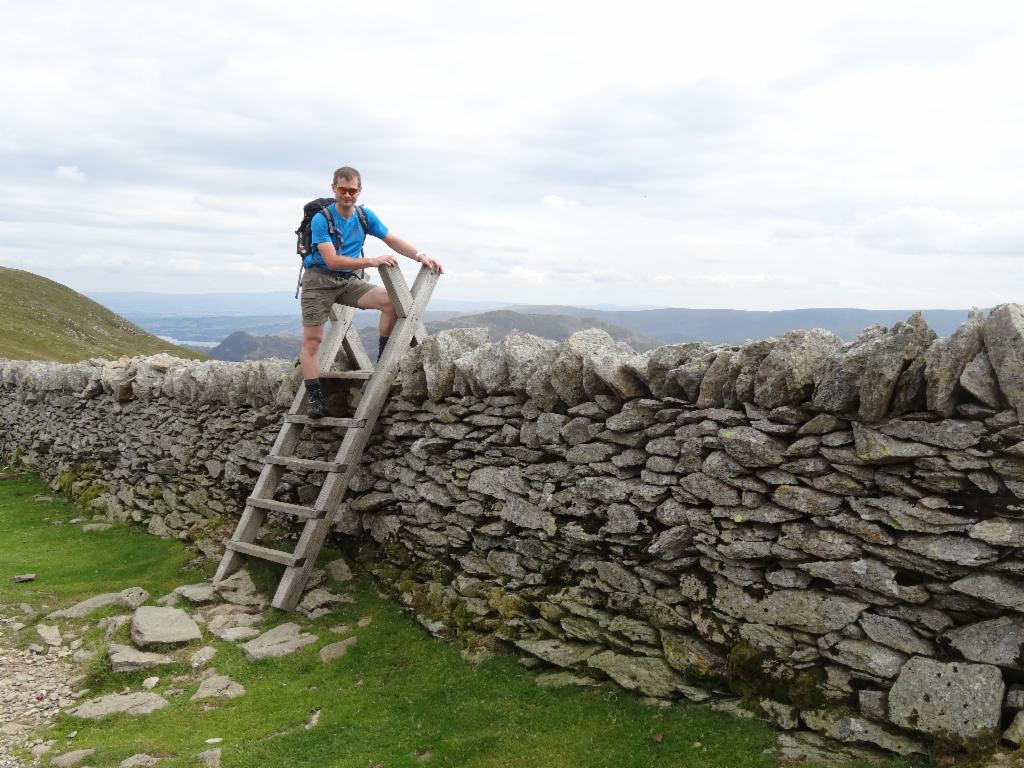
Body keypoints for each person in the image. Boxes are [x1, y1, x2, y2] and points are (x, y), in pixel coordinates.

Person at [299, 166, 443, 418]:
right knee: (313, 340)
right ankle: (315, 397)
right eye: (342, 189)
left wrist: (421, 255)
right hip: (318, 282)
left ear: (359, 191)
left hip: (348, 282)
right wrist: (371, 261)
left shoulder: (364, 216)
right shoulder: (322, 218)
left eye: (352, 190)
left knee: (391, 302)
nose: (347, 195)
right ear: (333, 188)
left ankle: (384, 358)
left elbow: (391, 238)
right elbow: (331, 261)